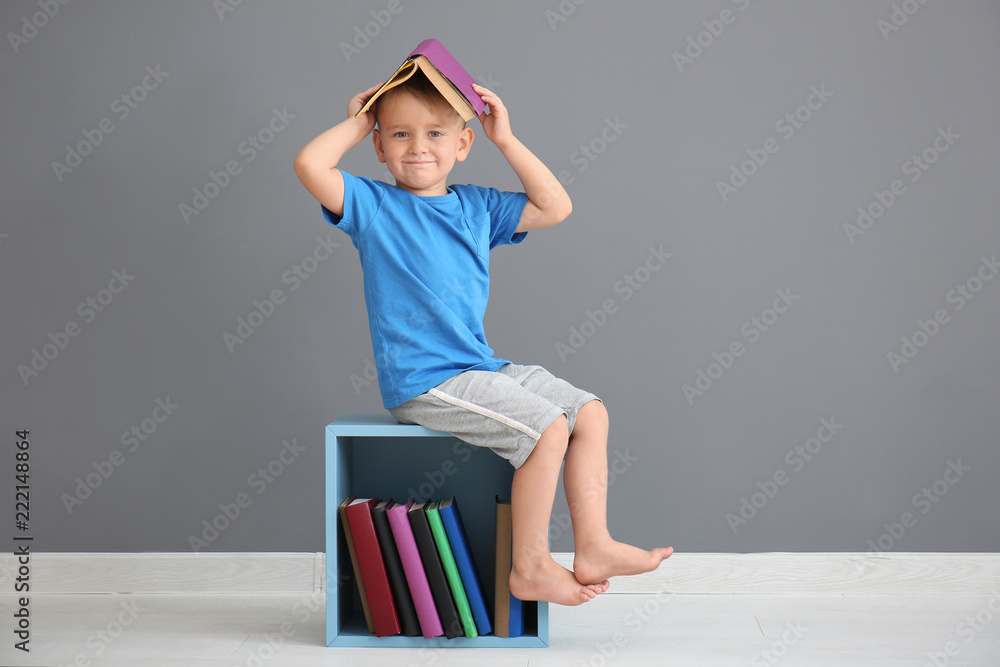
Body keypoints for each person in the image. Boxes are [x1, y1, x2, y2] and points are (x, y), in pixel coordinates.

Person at [294, 71, 672, 605]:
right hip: (426, 380)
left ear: (463, 142)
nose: (418, 147)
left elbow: (555, 206)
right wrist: (357, 123)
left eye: (435, 134)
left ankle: (594, 545)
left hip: (479, 367)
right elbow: (310, 164)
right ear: (378, 145)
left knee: (590, 414)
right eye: (398, 134)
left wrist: (507, 140)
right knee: (545, 430)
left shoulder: (478, 207)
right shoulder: (373, 206)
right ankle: (531, 565)